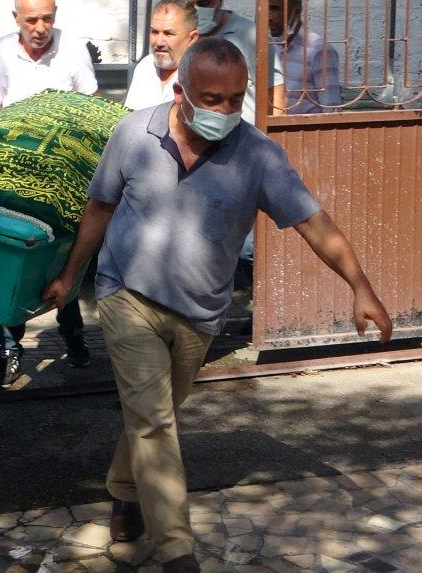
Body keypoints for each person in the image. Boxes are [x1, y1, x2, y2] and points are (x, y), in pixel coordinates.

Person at [41, 38, 393, 573]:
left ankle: (123, 491)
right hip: (126, 293)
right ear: (181, 91)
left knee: (151, 415)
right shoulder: (134, 133)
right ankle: (178, 553)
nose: (226, 110)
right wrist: (70, 274)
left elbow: (314, 223)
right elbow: (99, 206)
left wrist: (360, 287)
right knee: (155, 422)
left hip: (200, 313)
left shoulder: (258, 155)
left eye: (236, 98)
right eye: (212, 98)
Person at [0, 0, 97, 390]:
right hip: (12, 180)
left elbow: (92, 109)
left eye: (47, 18)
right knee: (9, 263)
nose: (41, 27)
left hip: (64, 180)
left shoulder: (73, 49)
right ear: (16, 19)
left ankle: (73, 335)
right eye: (32, 19)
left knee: (65, 261)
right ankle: (9, 350)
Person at [177, 0, 285, 123]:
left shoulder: (251, 35)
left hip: (244, 137)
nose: (197, 10)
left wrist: (271, 140)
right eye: (190, 4)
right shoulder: (177, 35)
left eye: (204, 3)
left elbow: (275, 93)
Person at [268, 0, 341, 114]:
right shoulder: (272, 47)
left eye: (275, 9)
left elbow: (331, 111)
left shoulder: (320, 51)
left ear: (295, 11)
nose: (268, 17)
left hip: (306, 133)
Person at [124, 0, 200, 111]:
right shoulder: (145, 66)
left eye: (168, 34)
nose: (159, 42)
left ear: (192, 38)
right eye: (154, 32)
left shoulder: (201, 76)